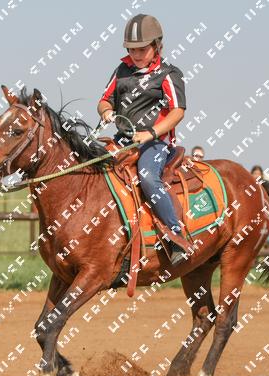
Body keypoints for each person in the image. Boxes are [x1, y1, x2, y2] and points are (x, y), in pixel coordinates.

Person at [98, 14, 189, 266]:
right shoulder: (122, 71)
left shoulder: (169, 73)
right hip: (123, 139)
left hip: (155, 143)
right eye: (131, 49)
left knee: (148, 176)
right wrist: (106, 111)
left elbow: (178, 111)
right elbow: (104, 100)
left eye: (142, 49)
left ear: (157, 45)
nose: (136, 54)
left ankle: (175, 236)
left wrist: (151, 133)